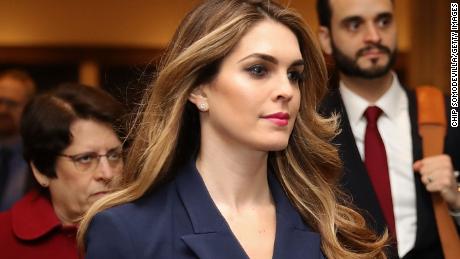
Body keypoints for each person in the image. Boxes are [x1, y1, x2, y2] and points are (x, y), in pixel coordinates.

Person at [78, 1, 388, 258]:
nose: (286, 90)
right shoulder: (127, 231)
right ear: (199, 90)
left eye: (294, 75)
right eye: (258, 70)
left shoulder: (333, 227)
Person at [316, 0, 460, 258]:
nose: (373, 36)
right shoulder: (310, 129)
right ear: (326, 39)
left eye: (384, 21)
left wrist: (457, 202)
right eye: (354, 24)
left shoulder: (449, 115)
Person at [0, 83, 127, 259]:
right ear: (41, 170)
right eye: (85, 159)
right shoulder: (4, 240)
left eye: (114, 156)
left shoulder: (146, 230)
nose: (107, 174)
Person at [0, 69, 36, 211]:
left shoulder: (39, 158)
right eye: (0, 101)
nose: (2, 110)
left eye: (12, 103)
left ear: (29, 108)